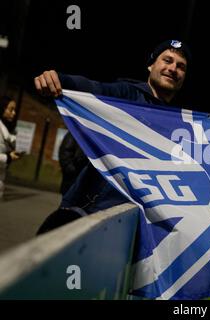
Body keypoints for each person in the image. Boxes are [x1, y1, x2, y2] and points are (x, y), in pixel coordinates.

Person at [34, 40, 191, 233]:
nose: (173, 68)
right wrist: (60, 79)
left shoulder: (175, 123)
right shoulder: (127, 95)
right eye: (167, 60)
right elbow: (94, 88)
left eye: (180, 66)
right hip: (88, 212)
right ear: (151, 65)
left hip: (129, 225)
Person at [0, 96, 22, 200]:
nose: (14, 113)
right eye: (11, 109)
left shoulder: (9, 129)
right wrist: (8, 157)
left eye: (15, 110)